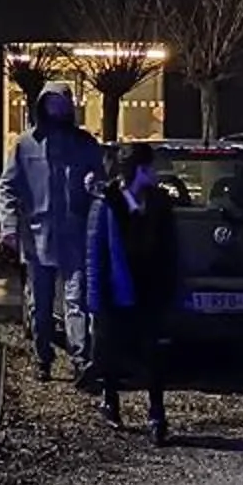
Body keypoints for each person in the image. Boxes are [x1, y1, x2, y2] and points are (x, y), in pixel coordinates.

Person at [0, 84, 105, 381]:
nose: (57, 108)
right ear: (42, 106)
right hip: (38, 237)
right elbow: (7, 187)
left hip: (75, 236)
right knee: (41, 304)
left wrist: (94, 186)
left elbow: (100, 183)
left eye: (62, 102)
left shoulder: (85, 144)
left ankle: (81, 359)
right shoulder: (25, 145)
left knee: (77, 300)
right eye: (52, 102)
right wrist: (9, 228)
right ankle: (43, 357)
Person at [85, 140, 179, 443]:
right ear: (139, 170)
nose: (156, 173)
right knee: (112, 350)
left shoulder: (159, 204)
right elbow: (95, 254)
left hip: (149, 289)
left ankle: (157, 414)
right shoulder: (107, 204)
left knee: (154, 354)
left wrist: (170, 286)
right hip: (117, 291)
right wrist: (95, 298)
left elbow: (171, 248)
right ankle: (110, 400)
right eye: (150, 167)